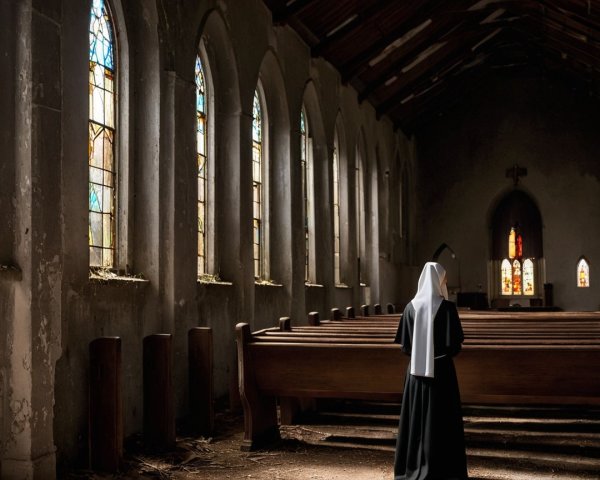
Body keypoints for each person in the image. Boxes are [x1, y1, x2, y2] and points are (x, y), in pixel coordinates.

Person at [393, 262, 468, 480]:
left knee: (415, 420)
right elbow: (455, 347)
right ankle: (445, 469)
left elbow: (405, 347)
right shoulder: (448, 309)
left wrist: (421, 357)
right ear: (439, 281)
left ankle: (413, 466)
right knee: (443, 419)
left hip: (415, 376)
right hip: (442, 373)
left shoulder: (409, 308)